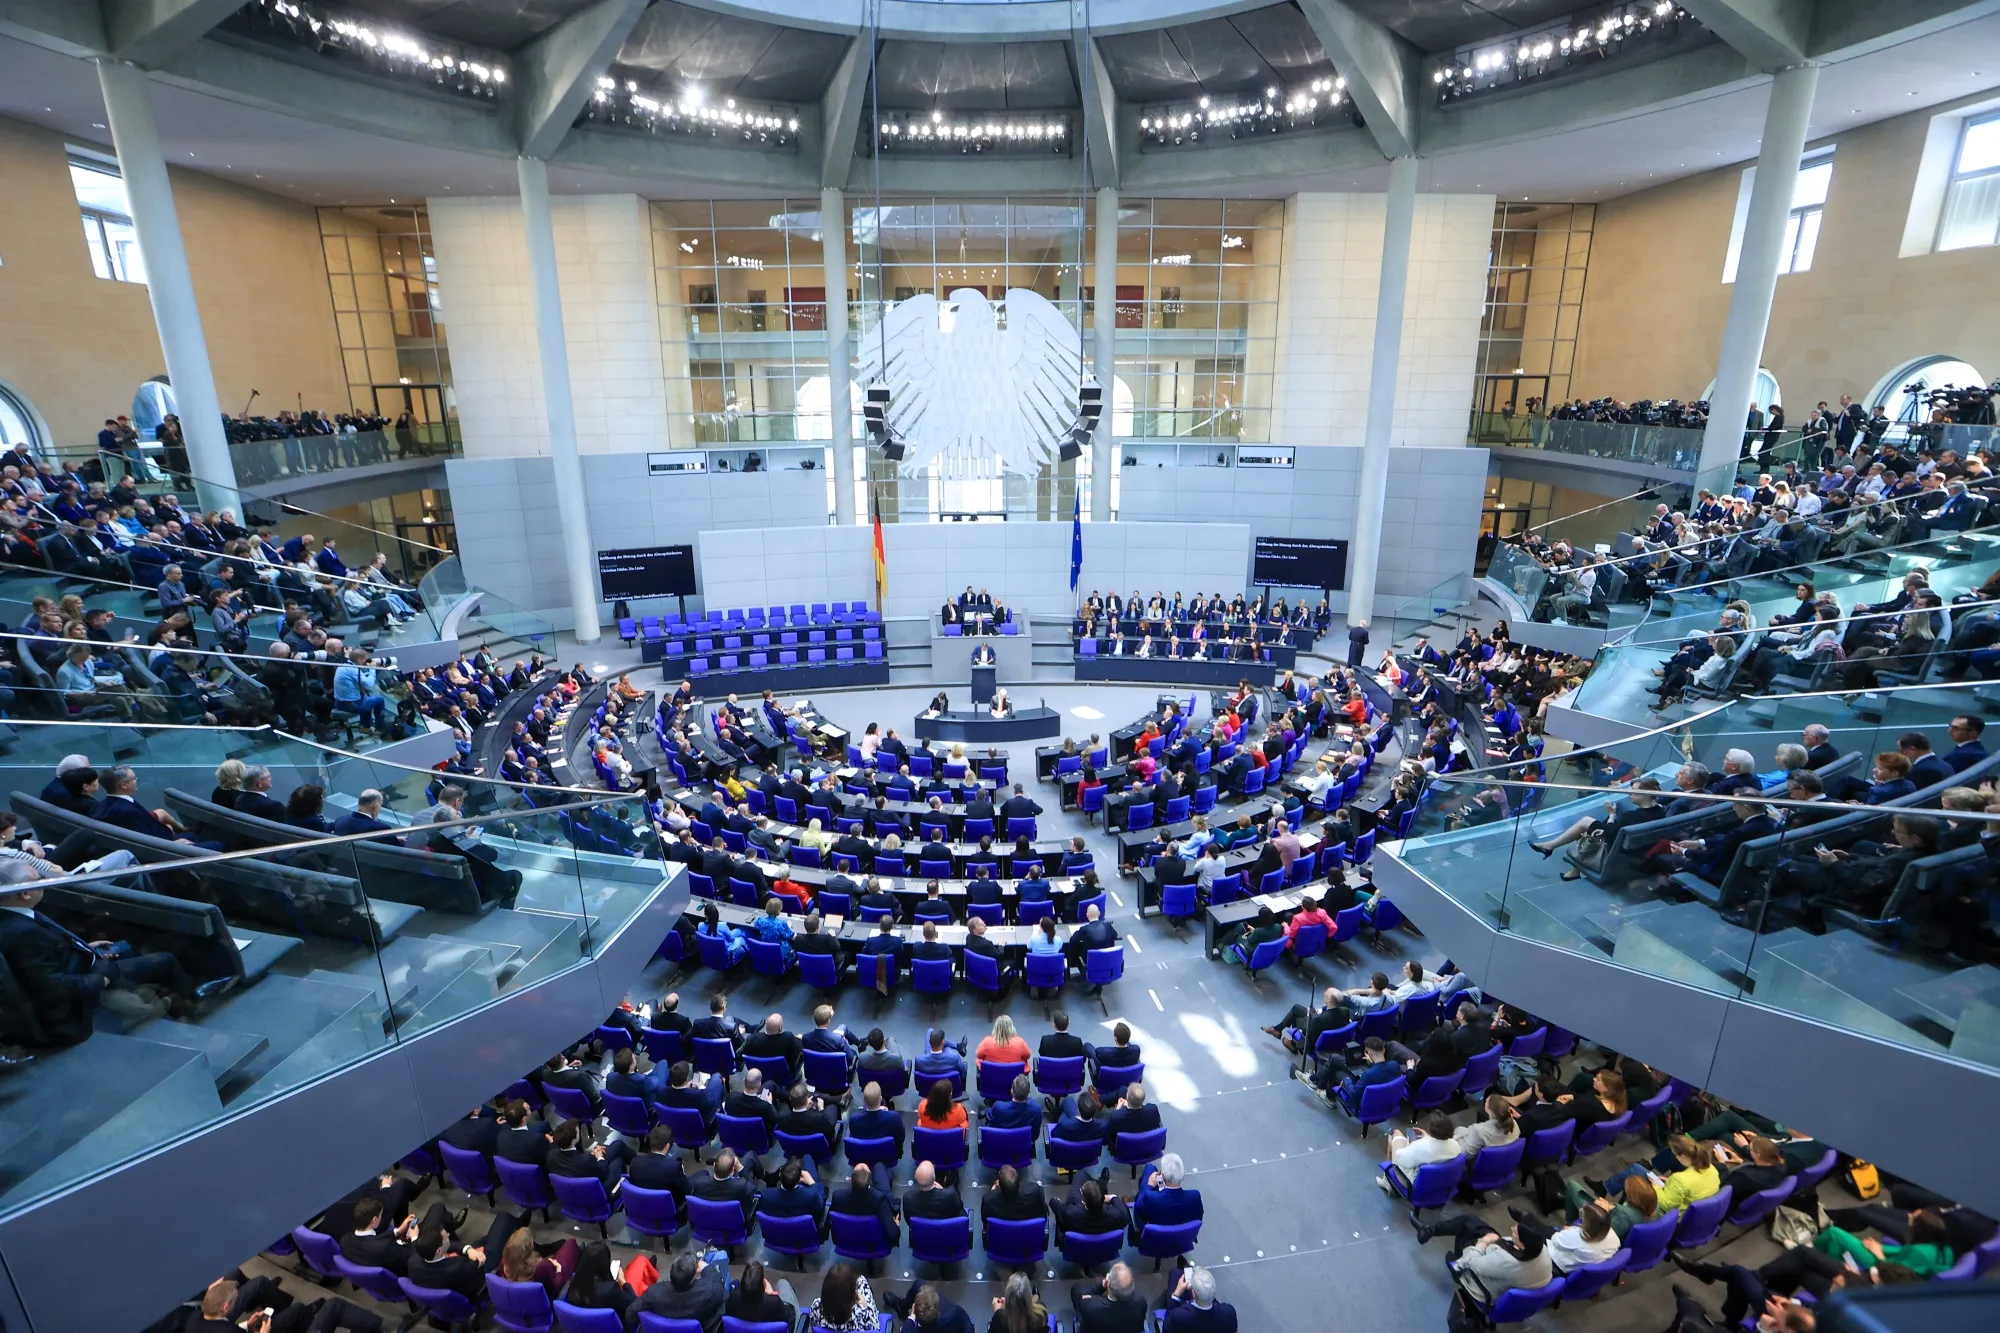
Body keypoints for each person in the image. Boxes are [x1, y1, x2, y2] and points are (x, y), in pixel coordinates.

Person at [636, 1248, 729, 1332]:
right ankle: (712, 1253)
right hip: (703, 1326)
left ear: (671, 1271)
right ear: (693, 1278)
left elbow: (631, 1310)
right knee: (721, 1255)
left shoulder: (653, 1293)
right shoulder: (709, 1292)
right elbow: (719, 1287)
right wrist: (706, 1268)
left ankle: (711, 1253)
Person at [1071, 1260, 1147, 1333]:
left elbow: (1082, 1299)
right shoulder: (1140, 1301)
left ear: (1108, 1282)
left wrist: (1101, 1286)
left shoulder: (1092, 1306)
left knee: (1077, 1289)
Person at [724, 1259, 800, 1330]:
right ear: (762, 1285)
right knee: (783, 1283)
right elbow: (789, 1318)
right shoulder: (774, 1302)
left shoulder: (733, 1297)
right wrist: (772, 1293)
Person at [807, 1262, 883, 1332]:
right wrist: (865, 1305)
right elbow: (875, 1328)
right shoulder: (861, 1313)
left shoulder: (816, 1306)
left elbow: (813, 1324)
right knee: (862, 1281)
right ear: (851, 1294)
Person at [1161, 1264, 1236, 1332]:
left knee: (1175, 1274)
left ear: (1193, 1294)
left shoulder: (1179, 1316)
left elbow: (1166, 1329)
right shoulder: (1229, 1312)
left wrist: (1176, 1294)